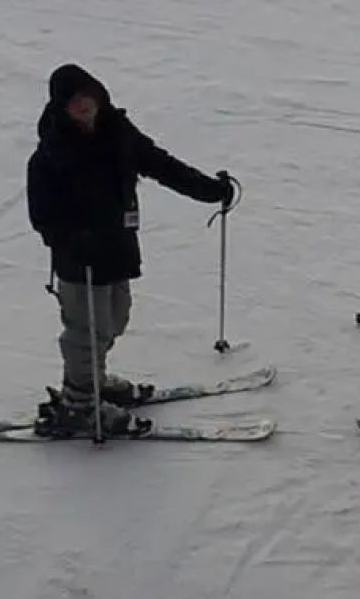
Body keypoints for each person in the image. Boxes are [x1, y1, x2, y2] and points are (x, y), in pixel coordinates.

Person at [26, 63, 235, 435]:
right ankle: (79, 403)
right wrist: (72, 241)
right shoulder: (50, 155)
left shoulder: (117, 132)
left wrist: (208, 189)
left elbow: (160, 163)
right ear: (62, 108)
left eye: (89, 98)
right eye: (75, 103)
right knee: (86, 328)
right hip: (79, 259)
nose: (85, 107)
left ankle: (93, 379)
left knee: (115, 318)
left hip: (116, 246)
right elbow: (43, 215)